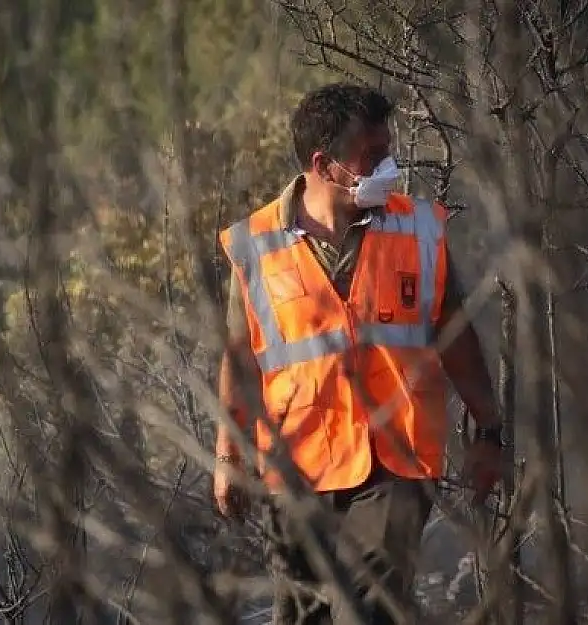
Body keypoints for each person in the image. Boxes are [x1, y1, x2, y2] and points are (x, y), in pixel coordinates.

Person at [212, 82, 503, 625]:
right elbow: (240, 359)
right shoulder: (256, 246)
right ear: (323, 164)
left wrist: (488, 431)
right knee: (305, 617)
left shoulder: (416, 229)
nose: (388, 167)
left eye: (386, 151)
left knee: (369, 613)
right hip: (295, 469)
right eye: (372, 157)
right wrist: (228, 456)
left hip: (395, 460)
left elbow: (457, 335)